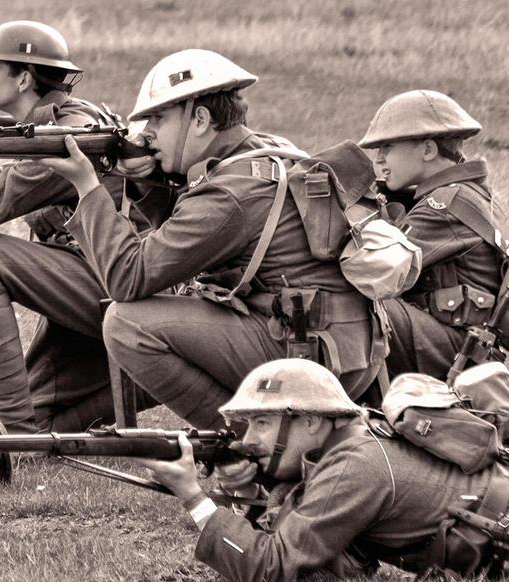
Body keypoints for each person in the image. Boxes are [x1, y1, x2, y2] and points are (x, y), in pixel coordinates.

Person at [40, 49, 384, 429]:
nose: (146, 133)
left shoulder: (229, 194)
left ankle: (248, 446)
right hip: (345, 345)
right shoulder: (266, 151)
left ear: (200, 119)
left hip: (306, 353)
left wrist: (87, 186)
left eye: (158, 118)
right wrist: (144, 178)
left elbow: (128, 277)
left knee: (128, 323)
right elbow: (193, 225)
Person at [140, 358, 509, 582]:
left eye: (263, 423)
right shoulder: (354, 443)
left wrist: (193, 497)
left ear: (313, 421)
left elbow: (268, 567)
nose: (248, 439)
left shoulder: (355, 466)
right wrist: (253, 493)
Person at [0, 21, 143, 433]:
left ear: (24, 78)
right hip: (100, 280)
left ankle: (13, 437)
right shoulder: (62, 121)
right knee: (43, 417)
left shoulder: (64, 135)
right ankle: (28, 433)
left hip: (119, 284)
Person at [360, 91, 505, 379]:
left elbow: (377, 268)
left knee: (357, 306)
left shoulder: (445, 206)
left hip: (463, 351)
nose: (379, 158)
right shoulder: (476, 194)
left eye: (387, 147)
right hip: (473, 344)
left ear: (428, 150)